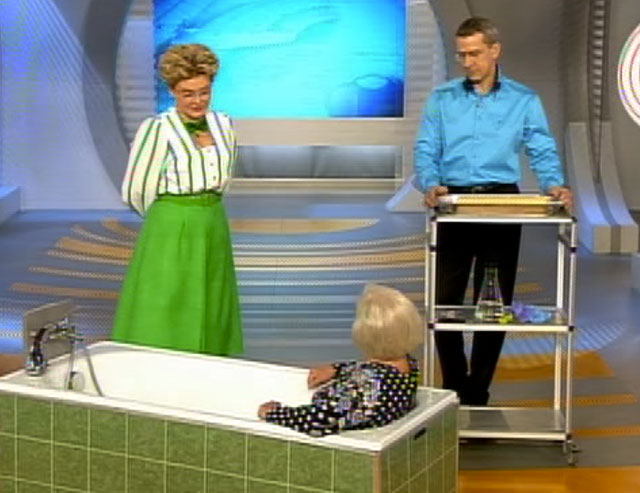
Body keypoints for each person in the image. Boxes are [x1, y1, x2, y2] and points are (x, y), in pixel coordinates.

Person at [414, 17, 572, 405]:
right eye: (461, 55)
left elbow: (541, 148)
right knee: (445, 302)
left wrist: (554, 184)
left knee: (494, 304)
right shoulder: (442, 98)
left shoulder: (524, 100)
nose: (467, 62)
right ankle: (455, 386)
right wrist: (430, 182)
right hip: (454, 204)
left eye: (474, 54)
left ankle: (478, 391)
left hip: (502, 204)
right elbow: (426, 148)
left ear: (495, 50)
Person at [112, 43, 243, 356]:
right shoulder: (158, 128)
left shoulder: (224, 124)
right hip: (171, 223)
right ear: (173, 91)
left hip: (212, 218)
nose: (197, 101)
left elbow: (226, 172)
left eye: (204, 92)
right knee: (169, 294)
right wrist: (167, 217)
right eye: (188, 93)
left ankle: (210, 356)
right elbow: (135, 189)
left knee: (211, 291)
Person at [257, 284, 423, 437]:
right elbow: (372, 368)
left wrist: (275, 413)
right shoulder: (408, 365)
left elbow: (319, 420)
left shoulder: (370, 385)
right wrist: (336, 369)